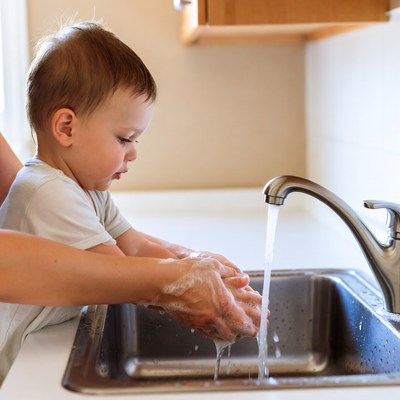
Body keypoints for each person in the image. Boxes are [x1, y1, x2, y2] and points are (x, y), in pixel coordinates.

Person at [0, 21, 261, 383]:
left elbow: (135, 244)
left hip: (44, 350)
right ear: (66, 128)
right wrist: (182, 283)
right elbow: (120, 270)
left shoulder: (85, 188)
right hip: (15, 369)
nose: (134, 152)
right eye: (124, 138)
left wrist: (196, 262)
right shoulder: (48, 193)